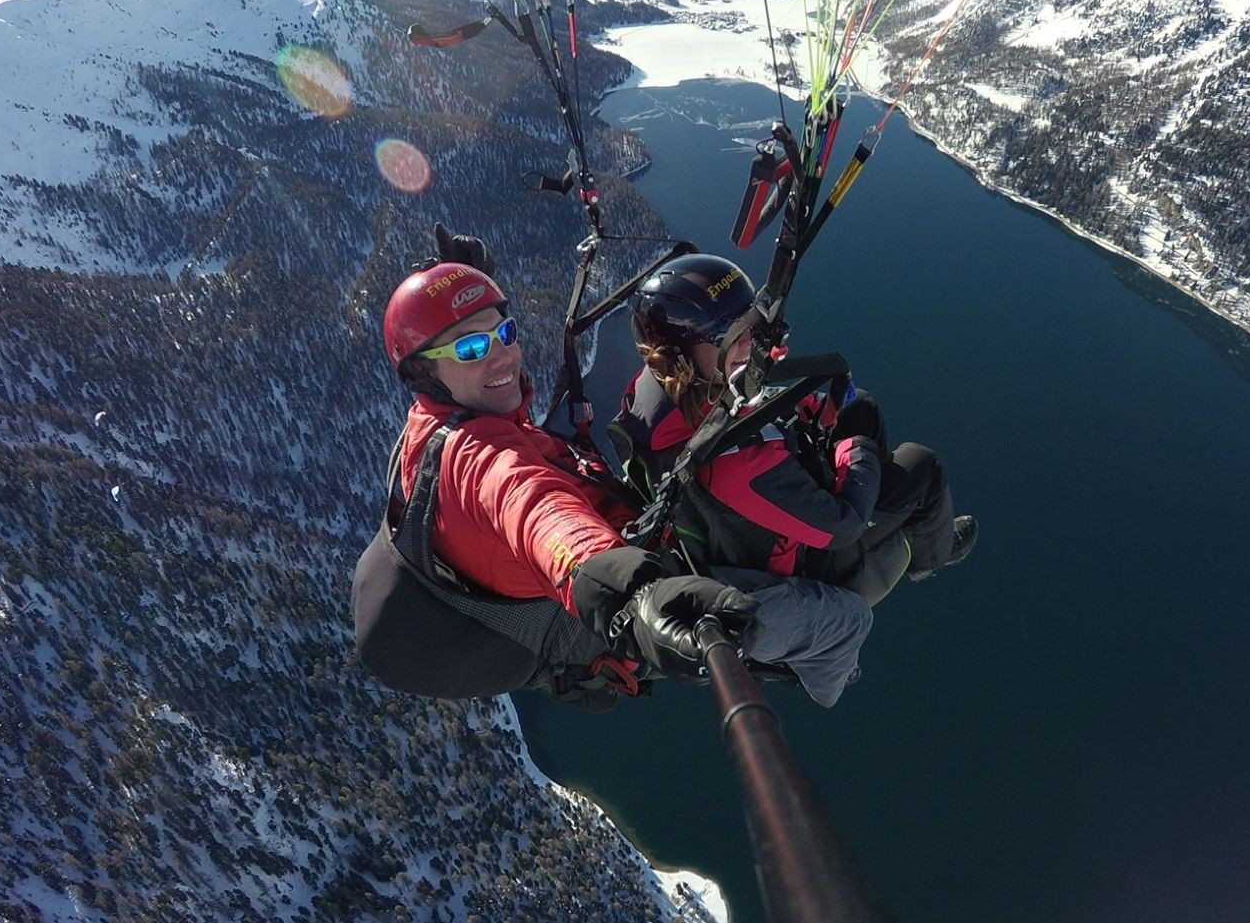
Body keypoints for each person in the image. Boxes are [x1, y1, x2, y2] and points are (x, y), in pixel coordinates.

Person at [351, 241, 757, 709]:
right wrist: (635, 594)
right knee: (819, 619)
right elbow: (534, 510)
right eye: (471, 347)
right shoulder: (478, 459)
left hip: (608, 538)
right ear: (423, 371)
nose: (504, 356)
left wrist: (458, 284)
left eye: (504, 332)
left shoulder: (441, 417)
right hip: (618, 603)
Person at [611, 254, 975, 701]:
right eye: (730, 336)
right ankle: (931, 554)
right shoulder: (735, 465)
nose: (751, 343)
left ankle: (880, 489)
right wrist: (855, 446)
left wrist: (807, 411)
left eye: (752, 326)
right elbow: (842, 524)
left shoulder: (658, 394)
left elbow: (738, 410)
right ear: (681, 355)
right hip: (807, 559)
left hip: (749, 519)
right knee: (921, 467)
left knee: (859, 405)